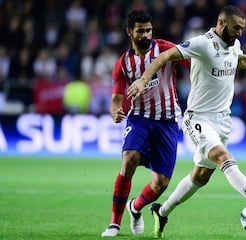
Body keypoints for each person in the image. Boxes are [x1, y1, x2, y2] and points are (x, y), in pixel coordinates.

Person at [127, 5, 246, 238]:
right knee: (222, 157)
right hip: (197, 118)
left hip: (222, 121)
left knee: (200, 177)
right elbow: (166, 55)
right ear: (222, 24)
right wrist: (144, 80)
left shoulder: (233, 44)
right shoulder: (202, 44)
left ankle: (162, 210)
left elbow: (240, 59)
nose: (240, 33)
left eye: (243, 29)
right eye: (237, 28)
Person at [101, 10, 188, 237]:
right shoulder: (123, 64)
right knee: (129, 159)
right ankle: (114, 224)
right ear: (130, 32)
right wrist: (114, 111)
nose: (146, 35)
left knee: (161, 183)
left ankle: (135, 207)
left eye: (149, 30)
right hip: (139, 119)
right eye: (140, 31)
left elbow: (193, 58)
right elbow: (116, 98)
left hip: (168, 122)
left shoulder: (166, 48)